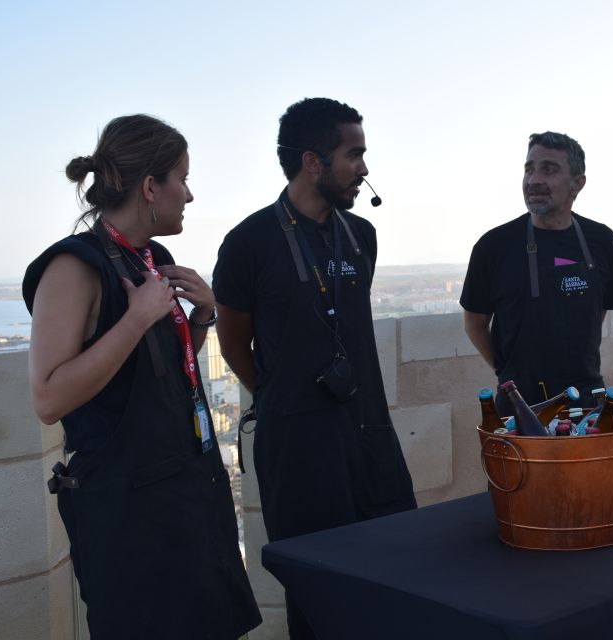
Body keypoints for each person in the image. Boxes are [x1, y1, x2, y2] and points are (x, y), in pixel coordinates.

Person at [23, 115, 261, 639]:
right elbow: (48, 397)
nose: (191, 195)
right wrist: (136, 317)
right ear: (151, 187)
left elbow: (156, 370)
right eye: (182, 178)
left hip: (186, 496)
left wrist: (200, 318)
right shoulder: (74, 267)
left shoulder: (154, 260)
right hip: (130, 516)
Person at [213, 98, 416, 639]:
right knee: (317, 601)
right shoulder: (248, 244)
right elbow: (233, 344)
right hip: (299, 454)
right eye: (354, 155)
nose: (365, 169)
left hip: (370, 439)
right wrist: (284, 398)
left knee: (390, 583)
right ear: (312, 162)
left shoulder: (361, 235)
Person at [460, 131, 613, 413]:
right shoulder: (493, 246)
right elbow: (474, 324)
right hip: (519, 406)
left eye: (549, 170)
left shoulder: (602, 240)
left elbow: (597, 312)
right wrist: (507, 373)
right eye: (529, 169)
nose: (534, 181)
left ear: (577, 184)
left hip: (589, 402)